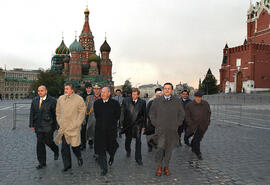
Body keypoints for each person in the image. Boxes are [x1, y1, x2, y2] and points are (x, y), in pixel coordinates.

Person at [149, 83, 185, 176]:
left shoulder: (177, 101)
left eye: (169, 88)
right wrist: (155, 123)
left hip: (172, 130)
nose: (167, 90)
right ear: (163, 90)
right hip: (160, 130)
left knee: (169, 150)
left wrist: (178, 124)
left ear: (172, 90)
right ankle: (159, 166)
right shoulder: (157, 101)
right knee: (160, 148)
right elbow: (151, 114)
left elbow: (182, 114)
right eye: (165, 88)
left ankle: (166, 167)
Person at [54, 82, 86, 172]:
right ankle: (67, 165)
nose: (65, 90)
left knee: (75, 147)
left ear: (72, 90)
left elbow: (82, 113)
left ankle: (79, 156)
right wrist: (59, 122)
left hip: (74, 128)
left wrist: (77, 124)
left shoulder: (79, 99)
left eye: (67, 89)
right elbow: (58, 111)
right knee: (64, 147)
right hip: (64, 128)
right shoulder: (60, 98)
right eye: (65, 89)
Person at [29, 85, 59, 169]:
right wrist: (31, 124)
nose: (40, 92)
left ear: (46, 91)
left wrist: (57, 126)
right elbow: (32, 113)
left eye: (41, 90)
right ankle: (42, 162)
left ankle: (55, 149)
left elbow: (56, 114)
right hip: (38, 126)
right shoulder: (35, 100)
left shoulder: (52, 101)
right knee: (40, 144)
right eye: (38, 91)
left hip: (49, 125)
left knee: (48, 141)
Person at [94, 87, 121, 176]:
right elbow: (96, 115)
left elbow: (117, 115)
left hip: (111, 130)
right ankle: (104, 168)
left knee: (111, 146)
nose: (102, 94)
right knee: (101, 149)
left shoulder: (115, 103)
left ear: (109, 93)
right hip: (100, 130)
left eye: (104, 92)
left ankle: (112, 156)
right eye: (101, 92)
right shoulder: (97, 103)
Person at [120, 88, 146, 165]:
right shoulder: (126, 101)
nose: (133, 96)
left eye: (135, 94)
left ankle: (138, 158)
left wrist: (144, 125)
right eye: (132, 94)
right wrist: (121, 124)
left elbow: (144, 114)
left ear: (138, 95)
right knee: (128, 139)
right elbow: (122, 113)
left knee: (138, 141)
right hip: (128, 124)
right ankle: (128, 150)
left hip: (138, 124)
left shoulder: (142, 102)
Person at [185, 91, 211, 160]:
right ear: (194, 97)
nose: (198, 99)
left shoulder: (205, 104)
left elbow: (209, 113)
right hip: (193, 125)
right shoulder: (189, 105)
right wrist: (190, 123)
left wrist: (207, 122)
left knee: (197, 139)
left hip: (203, 125)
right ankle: (188, 141)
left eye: (200, 97)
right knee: (191, 135)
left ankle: (197, 152)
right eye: (197, 97)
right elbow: (187, 115)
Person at [144, 88, 162, 152]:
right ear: (156, 96)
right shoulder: (151, 102)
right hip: (151, 121)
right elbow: (147, 111)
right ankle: (149, 146)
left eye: (161, 96)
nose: (159, 97)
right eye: (158, 96)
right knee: (150, 134)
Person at [86, 84, 101, 150]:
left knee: (99, 137)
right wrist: (83, 119)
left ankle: (97, 152)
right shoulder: (89, 98)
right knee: (91, 134)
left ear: (100, 90)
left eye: (98, 89)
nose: (96, 90)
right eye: (95, 89)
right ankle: (91, 142)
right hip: (91, 119)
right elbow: (85, 109)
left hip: (101, 120)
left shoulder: (104, 97)